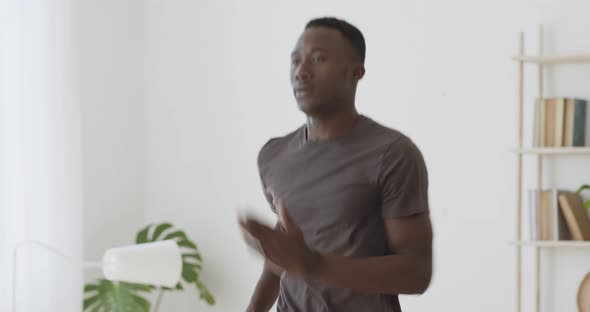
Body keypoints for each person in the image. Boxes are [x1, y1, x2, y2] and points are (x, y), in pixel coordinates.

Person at [239, 17, 432, 312]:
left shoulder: (393, 153)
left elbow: (416, 273)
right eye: (295, 61)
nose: (301, 72)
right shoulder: (273, 155)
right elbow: (283, 261)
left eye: (318, 59)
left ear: (356, 72)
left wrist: (314, 264)